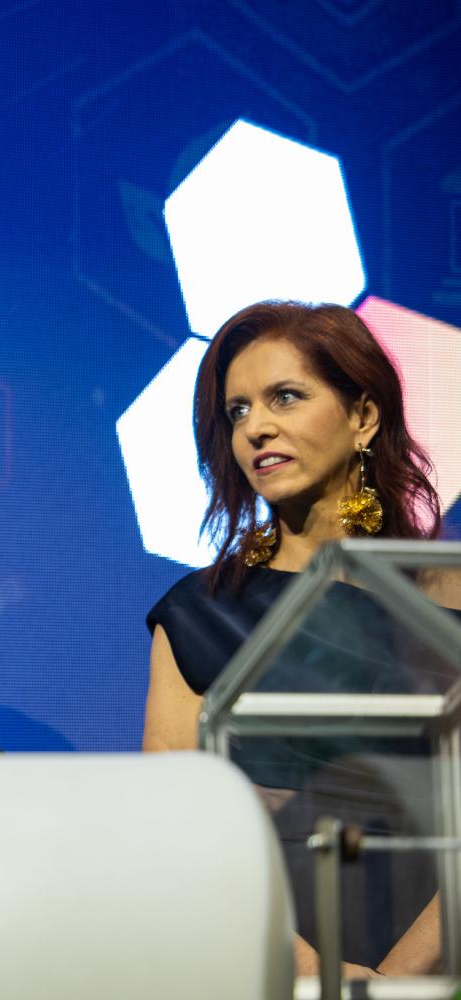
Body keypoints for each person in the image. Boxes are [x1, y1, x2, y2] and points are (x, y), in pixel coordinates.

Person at [141, 300, 457, 977]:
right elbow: (175, 822)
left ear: (363, 416)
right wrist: (312, 973)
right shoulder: (200, 615)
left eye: (284, 396)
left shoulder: (448, 602)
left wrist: (396, 982)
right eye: (237, 411)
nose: (256, 427)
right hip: (262, 959)